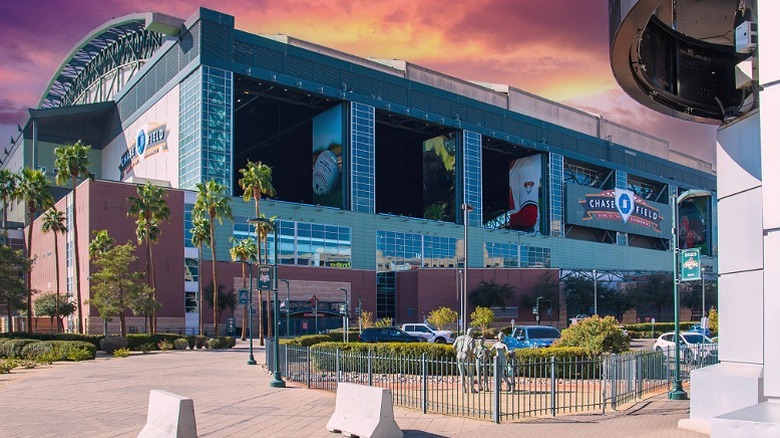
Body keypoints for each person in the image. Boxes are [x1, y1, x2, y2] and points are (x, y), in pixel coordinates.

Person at [453, 328, 476, 393]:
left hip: (459, 355)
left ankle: (464, 389)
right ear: (472, 333)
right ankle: (471, 388)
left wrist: (458, 351)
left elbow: (453, 346)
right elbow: (471, 349)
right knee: (470, 373)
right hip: (466, 356)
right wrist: (473, 355)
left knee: (462, 373)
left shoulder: (459, 338)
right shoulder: (471, 339)